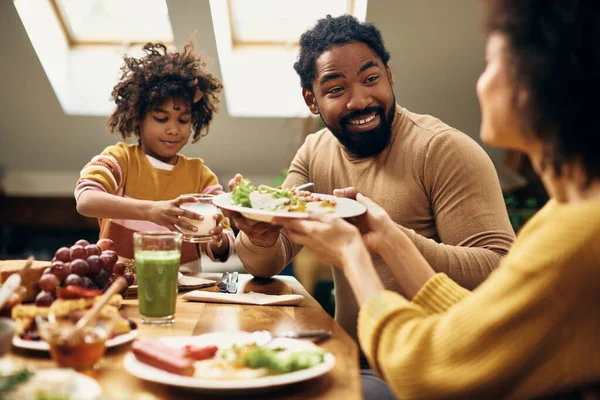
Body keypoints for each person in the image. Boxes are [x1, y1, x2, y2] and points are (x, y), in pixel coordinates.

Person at [276, 0, 600, 398]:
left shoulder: (580, 235)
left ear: (540, 82)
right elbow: (475, 324)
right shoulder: (564, 216)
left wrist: (353, 255)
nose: (481, 82)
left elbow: (423, 369)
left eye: (492, 63)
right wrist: (387, 238)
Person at [226, 15, 515, 343]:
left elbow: (498, 268)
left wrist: (386, 235)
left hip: (425, 359)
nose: (360, 100)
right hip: (353, 353)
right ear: (312, 100)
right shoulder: (314, 152)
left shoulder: (444, 150)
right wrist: (260, 236)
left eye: (371, 79)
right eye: (336, 89)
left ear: (389, 77)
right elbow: (267, 263)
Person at [75, 41, 234, 274]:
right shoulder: (120, 159)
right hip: (123, 286)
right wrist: (151, 210)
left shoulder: (200, 175)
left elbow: (224, 243)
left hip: (185, 293)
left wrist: (218, 240)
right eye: (161, 118)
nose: (173, 129)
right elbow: (86, 201)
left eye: (183, 120)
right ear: (138, 117)